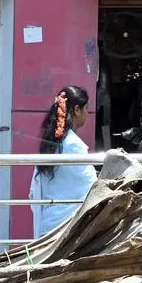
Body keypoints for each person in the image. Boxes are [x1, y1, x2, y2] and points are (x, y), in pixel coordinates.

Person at [30, 86, 95, 238]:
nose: (88, 114)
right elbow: (92, 185)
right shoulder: (73, 145)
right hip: (67, 227)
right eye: (87, 109)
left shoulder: (51, 142)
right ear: (77, 110)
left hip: (48, 223)